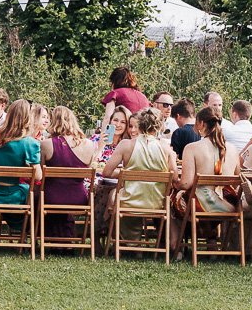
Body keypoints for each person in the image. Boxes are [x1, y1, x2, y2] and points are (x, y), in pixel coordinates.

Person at [101, 107, 178, 252]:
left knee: (113, 196)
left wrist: (127, 173)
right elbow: (174, 177)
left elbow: (106, 172)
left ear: (140, 124)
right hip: (157, 203)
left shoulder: (126, 145)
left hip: (129, 200)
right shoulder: (166, 148)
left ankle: (120, 239)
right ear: (159, 126)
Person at [176, 106, 240, 259]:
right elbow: (237, 179)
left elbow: (186, 183)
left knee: (175, 199)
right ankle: (211, 240)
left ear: (201, 123)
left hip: (202, 206)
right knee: (203, 197)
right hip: (229, 206)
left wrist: (175, 183)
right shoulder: (232, 149)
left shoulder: (192, 148)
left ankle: (176, 247)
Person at [39, 107, 98, 238]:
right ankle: (64, 239)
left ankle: (47, 238)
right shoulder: (89, 144)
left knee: (36, 192)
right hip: (79, 198)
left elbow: (41, 173)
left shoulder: (46, 144)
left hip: (52, 198)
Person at [0, 99, 41, 207]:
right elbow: (38, 176)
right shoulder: (30, 143)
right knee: (31, 193)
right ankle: (21, 224)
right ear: (28, 118)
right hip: (13, 197)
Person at [97, 66, 150, 139]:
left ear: (114, 81)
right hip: (143, 136)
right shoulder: (143, 96)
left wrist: (103, 139)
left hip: (124, 137)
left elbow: (108, 117)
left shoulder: (115, 93)